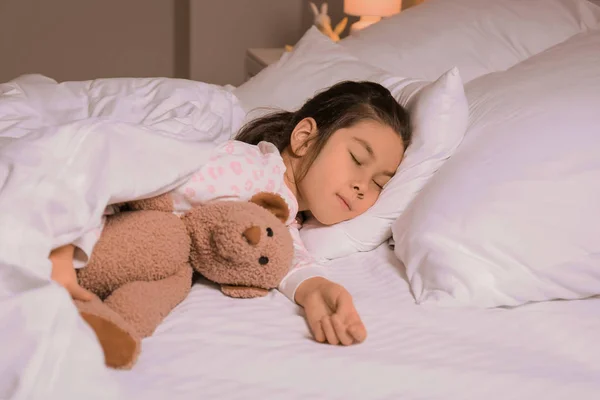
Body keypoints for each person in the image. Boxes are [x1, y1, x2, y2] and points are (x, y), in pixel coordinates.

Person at [50, 80, 412, 346]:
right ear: (304, 138)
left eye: (380, 183)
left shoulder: (284, 213)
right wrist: (64, 248)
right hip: (79, 232)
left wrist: (319, 291)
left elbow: (287, 257)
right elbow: (130, 180)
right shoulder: (244, 168)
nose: (363, 185)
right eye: (357, 159)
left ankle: (107, 326)